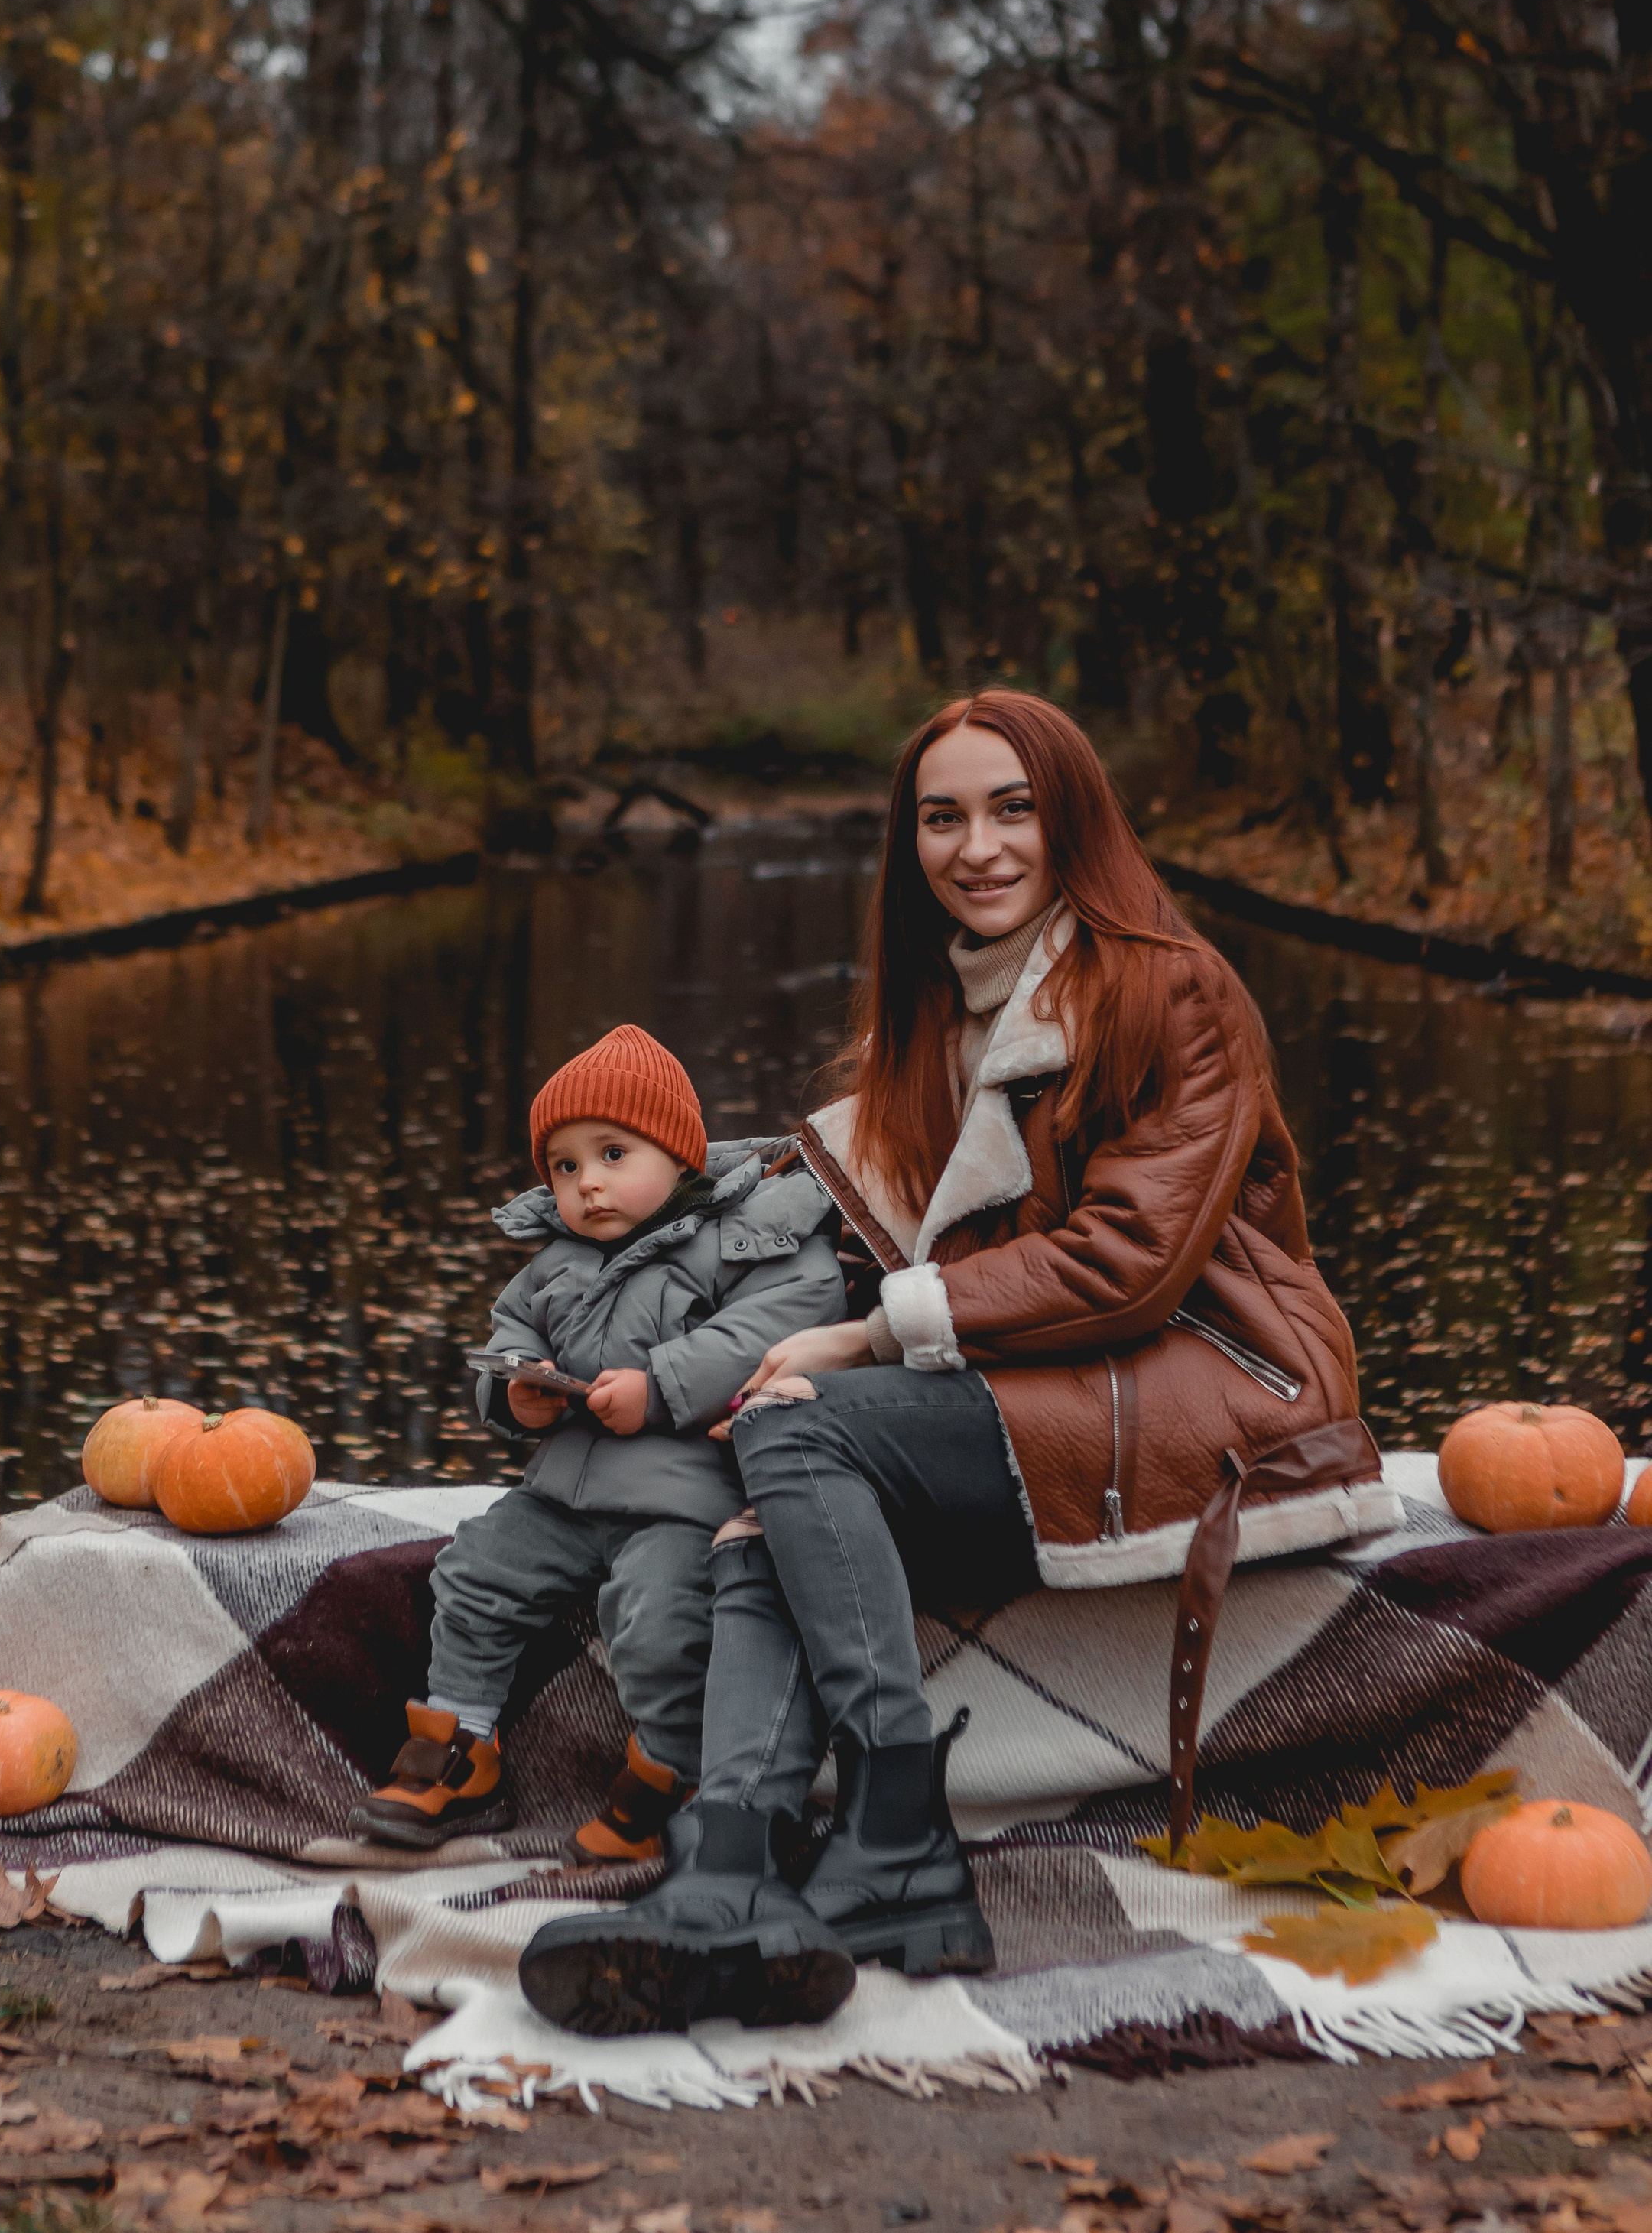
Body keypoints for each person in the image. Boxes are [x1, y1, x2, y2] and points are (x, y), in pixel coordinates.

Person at [520, 690, 1381, 2037]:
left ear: (1071, 821)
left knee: (809, 1431)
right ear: (907, 843)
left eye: (1011, 809)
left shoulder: (1171, 988)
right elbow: (869, 1260)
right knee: (776, 1461)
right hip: (1052, 1391)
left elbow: (1124, 1266)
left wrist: (868, 1339)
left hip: (1213, 1383)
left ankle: (898, 1821)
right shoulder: (937, 1025)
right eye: (941, 818)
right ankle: (729, 1868)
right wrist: (693, 1354)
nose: (975, 846)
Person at [350, 1021, 847, 1866]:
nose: (587, 1185)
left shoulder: (749, 1235)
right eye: (565, 1166)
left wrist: (663, 1386)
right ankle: (461, 1747)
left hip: (687, 1497)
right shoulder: (554, 1262)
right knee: (473, 1573)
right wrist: (519, 1396)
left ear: (680, 1156)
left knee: (654, 1621)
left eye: (613, 1155)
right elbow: (509, 1336)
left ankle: (671, 1773)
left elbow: (795, 1312)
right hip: (565, 1491)